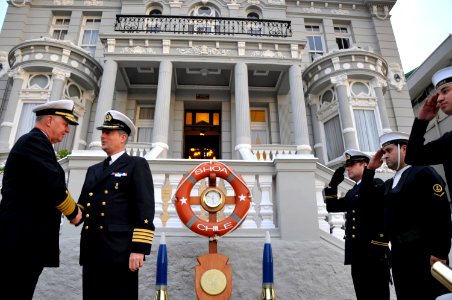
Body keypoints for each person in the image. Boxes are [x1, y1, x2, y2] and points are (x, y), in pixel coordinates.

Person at [0, 99, 82, 299]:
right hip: (20, 243)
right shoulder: (34, 142)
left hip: (25, 241)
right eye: (65, 124)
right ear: (49, 120)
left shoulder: (37, 143)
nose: (67, 131)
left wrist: (49, 241)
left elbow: (40, 194)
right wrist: (75, 213)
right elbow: (52, 185)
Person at [363, 131, 452, 300]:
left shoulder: (423, 172)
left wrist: (440, 252)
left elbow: (440, 214)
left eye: (389, 151)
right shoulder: (389, 184)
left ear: (404, 148)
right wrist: (370, 170)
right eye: (384, 153)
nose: (385, 156)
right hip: (399, 253)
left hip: (424, 252)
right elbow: (367, 201)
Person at [77, 110, 155, 300]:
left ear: (123, 137)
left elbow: (145, 208)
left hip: (120, 250)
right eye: (102, 132)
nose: (103, 136)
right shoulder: (93, 170)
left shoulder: (136, 164)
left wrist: (139, 248)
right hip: (93, 248)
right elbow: (81, 208)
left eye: (108, 132)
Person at [323, 149, 390, 300]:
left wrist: (370, 172)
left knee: (378, 295)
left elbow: (366, 196)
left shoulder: (375, 184)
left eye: (352, 164)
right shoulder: (352, 192)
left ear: (365, 165)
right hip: (357, 254)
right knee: (363, 295)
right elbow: (332, 207)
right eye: (347, 165)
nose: (348, 168)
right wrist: (332, 185)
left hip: (373, 253)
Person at [406, 66, 452, 195]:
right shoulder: (449, 140)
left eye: (445, 91)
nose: (439, 99)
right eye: (438, 94)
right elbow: (413, 157)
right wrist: (422, 121)